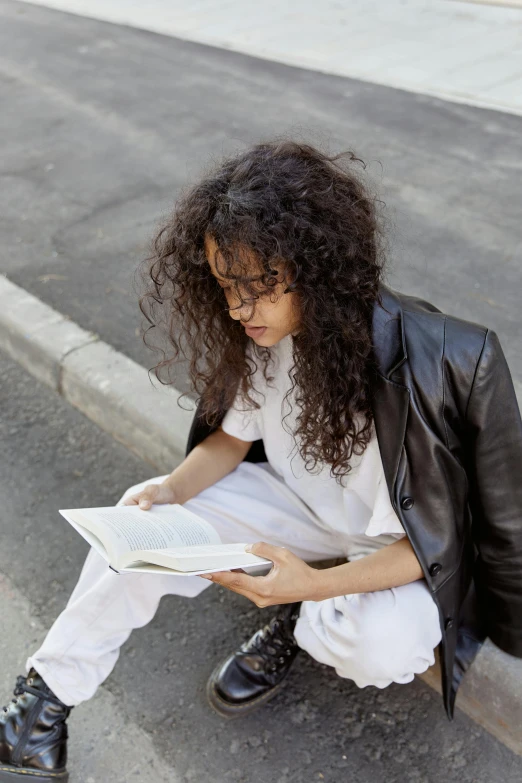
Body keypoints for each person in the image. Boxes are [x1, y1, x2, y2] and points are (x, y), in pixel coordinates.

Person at [1, 139, 521, 782]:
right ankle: (39, 709)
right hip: (298, 509)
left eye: (256, 287)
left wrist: (311, 587)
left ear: (318, 265)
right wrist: (170, 489)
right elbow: (230, 440)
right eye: (225, 286)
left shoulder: (450, 360)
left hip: (401, 550)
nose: (237, 308)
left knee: (379, 645)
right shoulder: (266, 337)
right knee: (137, 526)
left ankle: (300, 617)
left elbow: (448, 540)